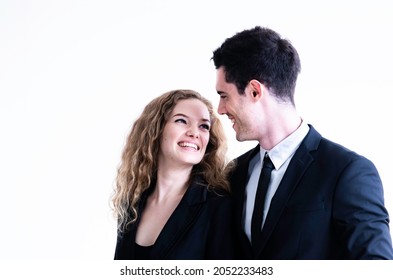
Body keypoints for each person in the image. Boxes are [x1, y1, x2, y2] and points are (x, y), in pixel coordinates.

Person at [211, 26, 393, 259]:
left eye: (224, 95)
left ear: (255, 91)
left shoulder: (347, 172)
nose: (220, 109)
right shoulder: (234, 173)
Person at [111, 89, 235, 259]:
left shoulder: (218, 207)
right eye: (182, 121)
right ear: (156, 129)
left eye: (204, 126)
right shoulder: (131, 204)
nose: (194, 132)